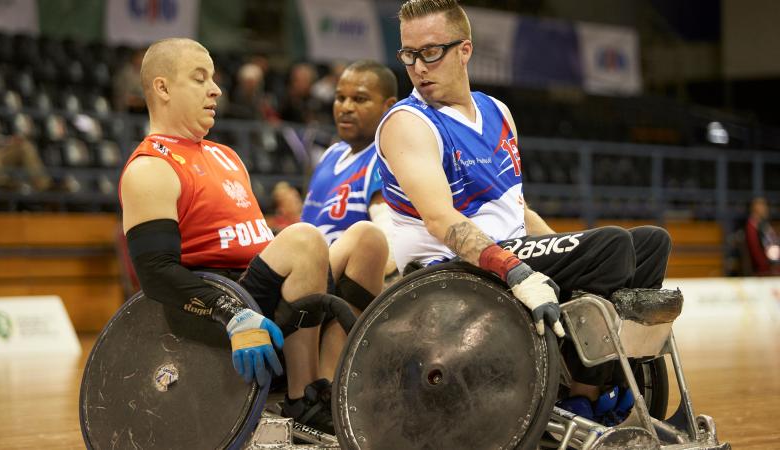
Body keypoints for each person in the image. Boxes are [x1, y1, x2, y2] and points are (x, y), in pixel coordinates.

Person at [377, 0, 672, 424]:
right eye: (408, 55)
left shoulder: (498, 112)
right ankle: (581, 396)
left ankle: (610, 378)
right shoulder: (408, 122)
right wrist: (515, 268)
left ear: (465, 50)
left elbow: (517, 207)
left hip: (509, 251)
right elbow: (442, 220)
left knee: (648, 243)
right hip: (449, 270)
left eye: (430, 52)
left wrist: (571, 253)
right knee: (610, 246)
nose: (418, 67)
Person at [119, 38, 386, 434]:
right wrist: (231, 313)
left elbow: (251, 240)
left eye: (213, 78)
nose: (216, 90)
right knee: (304, 239)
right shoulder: (150, 167)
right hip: (220, 307)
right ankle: (302, 399)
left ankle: (331, 389)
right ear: (162, 88)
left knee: (368, 239)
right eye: (200, 79)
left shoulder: (227, 156)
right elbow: (155, 273)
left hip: (267, 294)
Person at [301, 60, 399, 277]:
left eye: (359, 99)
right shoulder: (331, 154)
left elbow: (389, 253)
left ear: (388, 106)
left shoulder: (387, 157)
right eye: (340, 98)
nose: (346, 107)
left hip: (339, 294)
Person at [745, 197, 780, 275]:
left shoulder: (763, 224)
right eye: (762, 207)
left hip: (772, 260)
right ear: (755, 209)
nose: (765, 209)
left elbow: (773, 241)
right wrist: (766, 266)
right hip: (764, 266)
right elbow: (755, 249)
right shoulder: (752, 226)